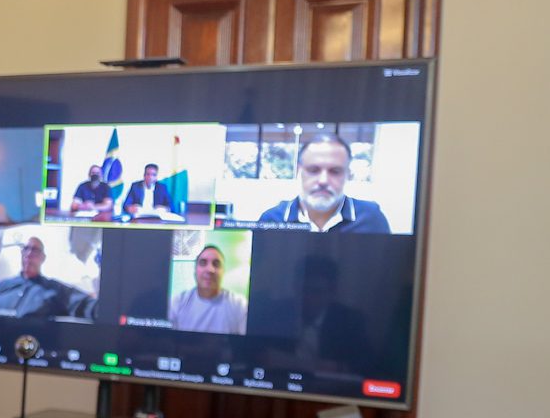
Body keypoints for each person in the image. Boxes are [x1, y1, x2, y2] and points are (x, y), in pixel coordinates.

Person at [257, 135, 392, 233]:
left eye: (335, 171)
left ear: (348, 175)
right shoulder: (272, 220)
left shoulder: (371, 219)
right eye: (313, 170)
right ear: (299, 171)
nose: (323, 181)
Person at [0, 237, 93, 320]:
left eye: (35, 250)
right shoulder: (0, 286)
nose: (29, 254)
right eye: (26, 249)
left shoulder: (55, 290)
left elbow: (85, 305)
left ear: (43, 258)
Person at [167, 245, 247, 335]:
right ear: (195, 270)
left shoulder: (239, 305)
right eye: (203, 263)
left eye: (216, 264)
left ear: (223, 271)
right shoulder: (177, 302)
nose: (210, 270)